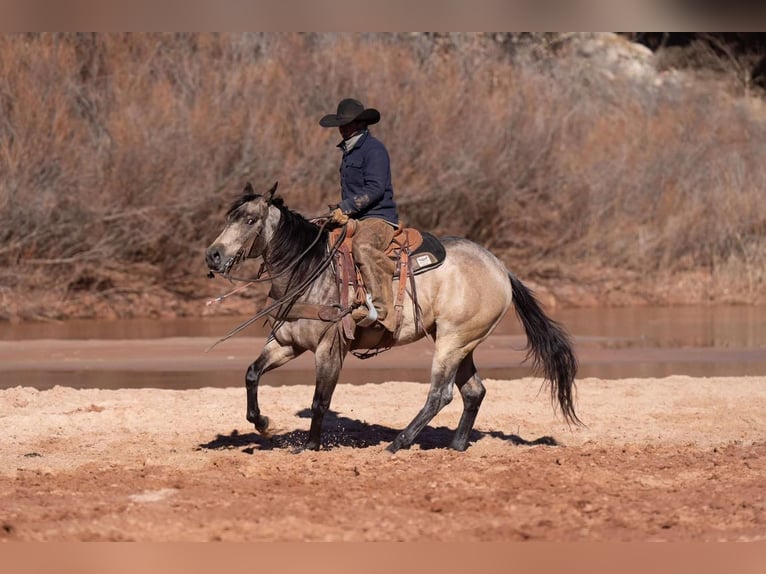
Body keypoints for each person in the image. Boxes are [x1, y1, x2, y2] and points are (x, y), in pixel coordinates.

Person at [319, 98, 399, 332]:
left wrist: (346, 208)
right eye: (341, 124)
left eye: (348, 123)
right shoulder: (349, 151)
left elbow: (375, 189)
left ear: (361, 123)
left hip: (378, 218)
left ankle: (383, 311)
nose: (342, 128)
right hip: (356, 217)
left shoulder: (374, 150)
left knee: (362, 247)